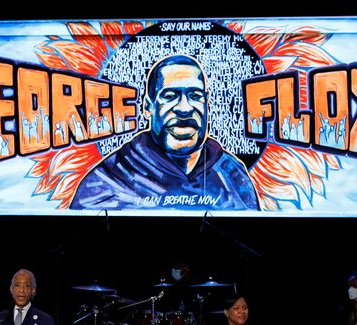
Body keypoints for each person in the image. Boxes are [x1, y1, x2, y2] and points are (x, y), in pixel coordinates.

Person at [70, 55, 259, 211]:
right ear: (147, 107)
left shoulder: (232, 173)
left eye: (195, 96)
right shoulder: (107, 181)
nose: (185, 108)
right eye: (169, 96)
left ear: (207, 103)